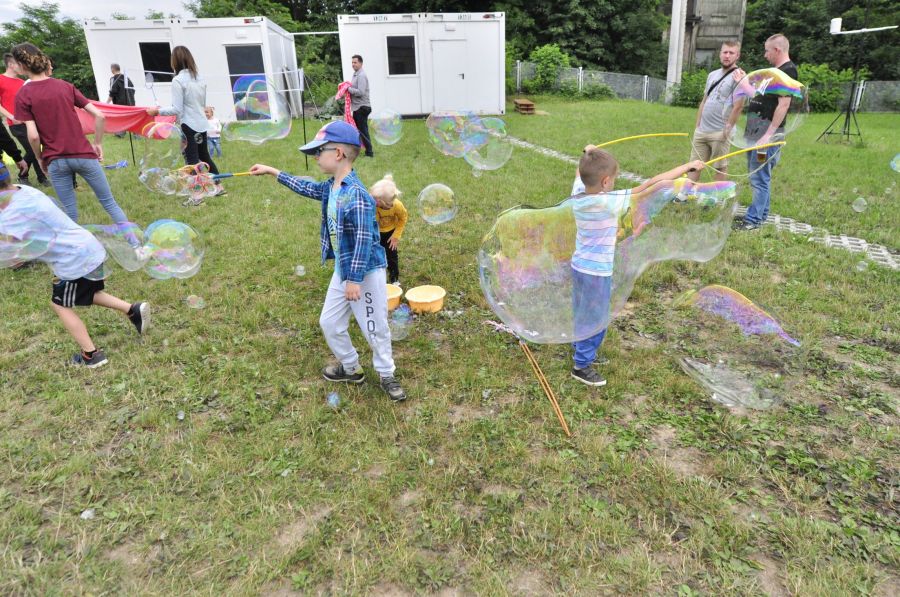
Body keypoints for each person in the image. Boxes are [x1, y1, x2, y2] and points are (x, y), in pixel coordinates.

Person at [249, 120, 406, 402]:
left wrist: (354, 280)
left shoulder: (357, 195)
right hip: (344, 269)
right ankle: (351, 367)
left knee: (374, 326)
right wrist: (273, 171)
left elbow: (363, 241)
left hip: (365, 271)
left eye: (319, 151)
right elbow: (306, 187)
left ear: (338, 154)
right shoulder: (332, 187)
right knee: (330, 322)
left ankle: (386, 374)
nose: (315, 157)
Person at [569, 146, 704, 386]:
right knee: (597, 317)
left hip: (579, 266)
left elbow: (580, 173)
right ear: (606, 181)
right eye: (614, 179)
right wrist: (687, 167)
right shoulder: (609, 203)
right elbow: (652, 184)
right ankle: (582, 365)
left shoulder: (578, 193)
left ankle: (581, 346)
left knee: (583, 310)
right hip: (597, 271)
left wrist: (590, 152)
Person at [0, 163, 150, 368]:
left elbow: (14, 253)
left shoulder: (9, 214)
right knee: (86, 292)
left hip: (74, 260)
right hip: (88, 248)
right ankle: (133, 310)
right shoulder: (24, 190)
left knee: (60, 304)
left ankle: (91, 355)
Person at [12, 43, 130, 225]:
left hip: (55, 160)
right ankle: (134, 241)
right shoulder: (65, 86)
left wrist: (39, 158)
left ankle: (75, 243)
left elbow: (33, 136)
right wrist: (98, 143)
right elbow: (100, 116)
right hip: (84, 155)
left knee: (69, 212)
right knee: (109, 203)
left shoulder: (23, 94)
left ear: (22, 65)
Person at [729, 34, 797, 231]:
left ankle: (754, 220)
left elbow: (784, 105)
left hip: (765, 137)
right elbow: (758, 98)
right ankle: (759, 214)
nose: (765, 55)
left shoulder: (788, 71)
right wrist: (744, 82)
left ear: (777, 50)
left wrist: (768, 135)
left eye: (767, 51)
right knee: (758, 176)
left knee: (759, 178)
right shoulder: (773, 73)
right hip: (755, 133)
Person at [146, 46, 225, 203]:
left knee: (191, 161)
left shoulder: (177, 80)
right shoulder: (200, 78)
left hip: (188, 125)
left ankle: (197, 197)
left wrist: (157, 111)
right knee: (204, 156)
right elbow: (201, 105)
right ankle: (219, 188)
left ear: (175, 61)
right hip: (201, 123)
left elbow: (177, 109)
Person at [687, 41, 741, 183]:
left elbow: (738, 106)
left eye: (731, 53)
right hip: (702, 130)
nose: (727, 56)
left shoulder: (740, 77)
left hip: (720, 131)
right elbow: (704, 100)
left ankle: (717, 194)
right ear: (720, 54)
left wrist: (727, 129)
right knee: (693, 165)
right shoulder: (712, 75)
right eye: (725, 52)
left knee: (719, 167)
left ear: (737, 56)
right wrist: (698, 125)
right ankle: (687, 192)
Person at [0, 53, 45, 185]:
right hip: (15, 123)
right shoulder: (1, 79)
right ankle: (23, 176)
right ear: (10, 64)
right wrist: (11, 117)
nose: (22, 66)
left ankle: (42, 178)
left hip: (29, 121)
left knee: (36, 149)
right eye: (19, 64)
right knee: (32, 149)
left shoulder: (22, 83)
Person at [370, 174, 407, 286]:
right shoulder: (373, 205)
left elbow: (403, 219)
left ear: (384, 203)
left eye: (374, 199)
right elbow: (372, 222)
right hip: (376, 232)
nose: (371, 200)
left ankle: (394, 278)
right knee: (375, 255)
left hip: (391, 233)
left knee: (392, 256)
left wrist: (396, 236)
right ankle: (374, 278)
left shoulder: (397, 206)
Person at [349, 55, 373, 158]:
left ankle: (369, 152)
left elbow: (361, 92)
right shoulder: (355, 74)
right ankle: (358, 150)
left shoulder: (361, 75)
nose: (353, 64)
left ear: (361, 63)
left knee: (363, 131)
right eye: (352, 62)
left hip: (362, 107)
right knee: (358, 131)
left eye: (355, 62)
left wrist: (348, 89)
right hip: (357, 107)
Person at [106, 63, 135, 138]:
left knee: (121, 118)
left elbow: (112, 92)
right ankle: (136, 134)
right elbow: (133, 89)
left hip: (120, 103)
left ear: (112, 69)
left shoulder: (114, 79)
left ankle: (120, 133)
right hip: (131, 102)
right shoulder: (127, 78)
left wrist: (107, 103)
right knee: (132, 118)